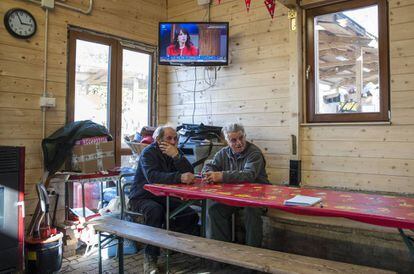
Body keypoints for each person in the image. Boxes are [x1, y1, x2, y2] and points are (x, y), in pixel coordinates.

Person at [128, 126, 199, 274]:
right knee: (155, 211)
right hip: (142, 196)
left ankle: (171, 245)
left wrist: (177, 156)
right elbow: (152, 177)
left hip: (163, 196)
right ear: (158, 140)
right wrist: (179, 177)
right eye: (169, 138)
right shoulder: (148, 153)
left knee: (190, 215)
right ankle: (150, 257)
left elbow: (190, 172)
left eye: (175, 139)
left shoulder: (173, 152)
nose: (173, 142)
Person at [202, 123, 269, 248]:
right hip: (234, 196)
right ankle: (221, 253)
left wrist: (222, 176)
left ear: (245, 136)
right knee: (214, 210)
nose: (239, 143)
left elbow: (248, 175)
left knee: (252, 212)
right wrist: (207, 173)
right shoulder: (223, 153)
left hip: (257, 196)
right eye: (233, 140)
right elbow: (210, 165)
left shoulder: (254, 153)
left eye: (241, 138)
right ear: (227, 141)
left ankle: (252, 257)